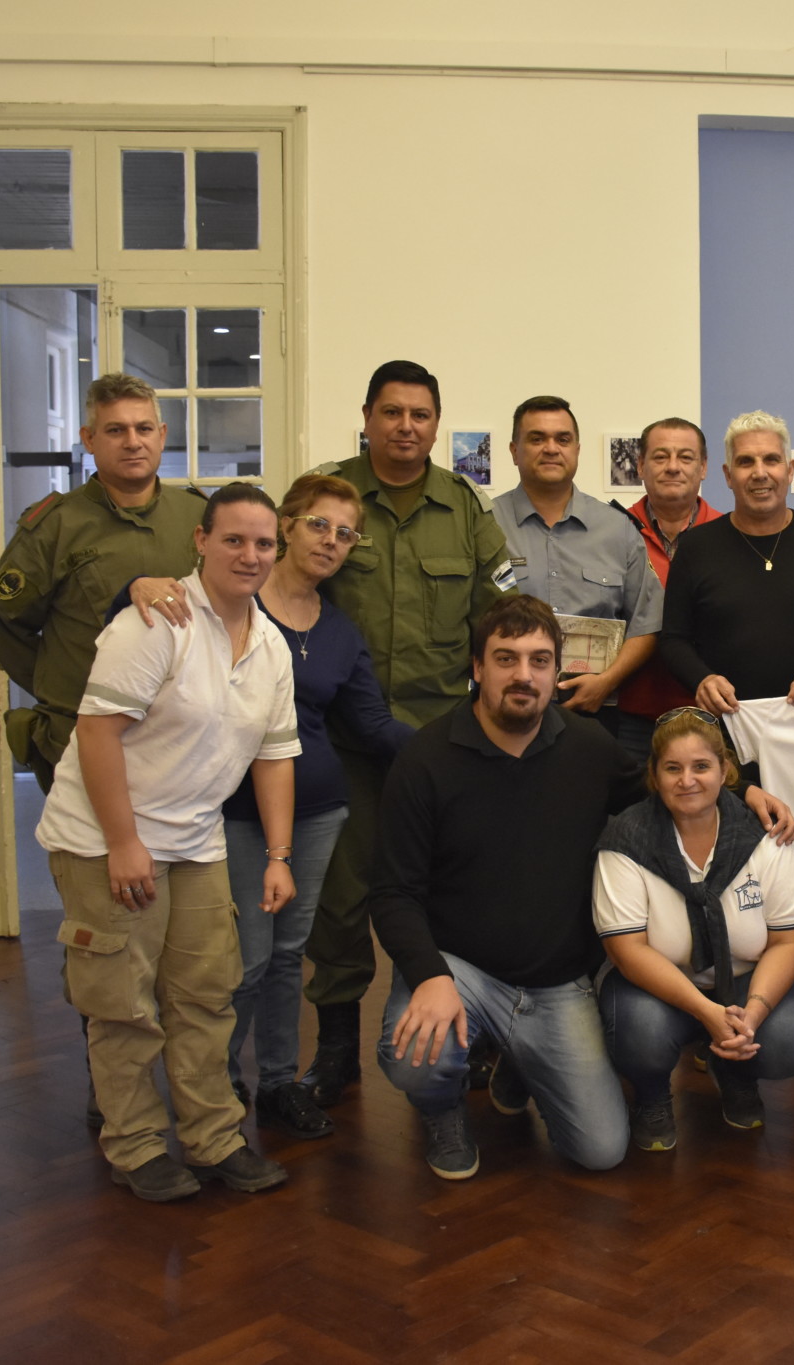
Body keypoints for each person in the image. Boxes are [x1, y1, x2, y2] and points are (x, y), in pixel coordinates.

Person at [364, 597, 794, 1180]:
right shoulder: (425, 759)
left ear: (556, 671)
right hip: (459, 970)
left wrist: (743, 792)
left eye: (539, 660)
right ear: (478, 667)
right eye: (506, 658)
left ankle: (519, 1061)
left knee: (602, 1149)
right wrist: (430, 976)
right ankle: (442, 1110)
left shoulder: (587, 746)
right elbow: (392, 893)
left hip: (555, 985)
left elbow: (665, 790)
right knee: (418, 1057)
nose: (524, 675)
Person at [36, 483, 299, 1203]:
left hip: (196, 840)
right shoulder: (155, 622)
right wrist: (124, 842)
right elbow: (97, 733)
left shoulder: (270, 644)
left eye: (264, 543)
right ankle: (136, 1145)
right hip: (105, 838)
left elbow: (275, 754)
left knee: (207, 996)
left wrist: (279, 856)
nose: (250, 555)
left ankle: (213, 1137)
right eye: (234, 539)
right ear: (202, 541)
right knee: (125, 1004)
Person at [292, 361, 516, 1110]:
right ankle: (335, 1046)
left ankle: (470, 1030)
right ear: (366, 417)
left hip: (438, 742)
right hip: (342, 742)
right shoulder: (330, 498)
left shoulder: (464, 508)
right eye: (392, 412)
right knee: (339, 894)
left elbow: (498, 612)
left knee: (456, 888)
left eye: (421, 415)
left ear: (436, 424)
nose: (406, 427)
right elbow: (284, 586)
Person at [657, 410, 794, 1059]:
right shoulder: (699, 547)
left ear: (792, 469)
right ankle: (722, 1005)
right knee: (736, 873)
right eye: (746, 462)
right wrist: (701, 677)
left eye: (771, 460)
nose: (760, 472)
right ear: (726, 474)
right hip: (729, 747)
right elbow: (673, 639)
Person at [212, 473, 411, 1139]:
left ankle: (276, 1083)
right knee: (246, 958)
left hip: (320, 808)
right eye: (319, 524)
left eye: (345, 533)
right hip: (239, 808)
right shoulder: (235, 604)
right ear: (287, 525)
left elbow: (374, 725)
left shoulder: (339, 630)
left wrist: (459, 747)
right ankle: (215, 1087)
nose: (331, 541)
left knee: (289, 952)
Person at [594, 709, 794, 1149]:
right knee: (640, 1035)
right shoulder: (625, 840)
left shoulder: (766, 836)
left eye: (701, 766)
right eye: (672, 768)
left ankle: (736, 1070)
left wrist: (751, 1016)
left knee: (793, 1038)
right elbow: (628, 951)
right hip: (660, 986)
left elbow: (787, 942)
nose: (687, 781)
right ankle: (651, 1095)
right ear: (654, 775)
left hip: (744, 980)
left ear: (725, 772)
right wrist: (707, 1011)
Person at [0, 372, 203, 793]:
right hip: (81, 739)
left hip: (181, 738)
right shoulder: (54, 526)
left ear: (162, 435)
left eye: (143, 429)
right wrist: (67, 689)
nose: (132, 442)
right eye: (115, 430)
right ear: (89, 439)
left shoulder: (197, 517)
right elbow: (5, 627)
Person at [494, 395, 663, 756]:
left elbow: (647, 623)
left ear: (577, 449)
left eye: (563, 439)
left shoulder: (618, 530)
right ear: (514, 450)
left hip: (595, 715)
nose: (551, 448)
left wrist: (607, 682)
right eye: (536, 438)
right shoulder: (485, 525)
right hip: (505, 713)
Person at [613, 417, 724, 756]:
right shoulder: (612, 532)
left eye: (685, 457)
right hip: (629, 719)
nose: (673, 467)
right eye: (660, 457)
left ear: (703, 468)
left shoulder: (730, 536)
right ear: (640, 466)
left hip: (715, 716)